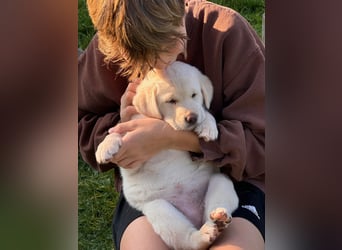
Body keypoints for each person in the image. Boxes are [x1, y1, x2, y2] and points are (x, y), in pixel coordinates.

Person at [78, 0, 265, 249]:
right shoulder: (108, 49)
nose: (174, 54)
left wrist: (172, 138)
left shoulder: (227, 33)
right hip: (155, 189)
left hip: (236, 180)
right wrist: (122, 127)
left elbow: (266, 144)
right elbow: (82, 123)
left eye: (177, 37)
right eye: (146, 59)